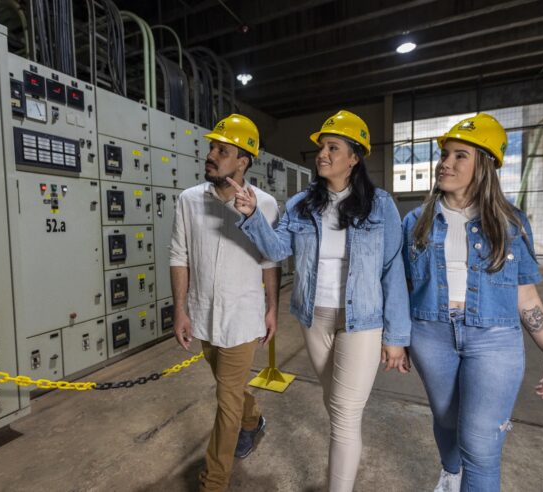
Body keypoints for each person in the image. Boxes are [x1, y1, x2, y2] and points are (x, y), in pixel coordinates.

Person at [228, 110, 411, 492]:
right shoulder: (301, 204)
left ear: (355, 157)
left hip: (362, 321)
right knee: (336, 405)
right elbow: (278, 250)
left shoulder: (381, 206)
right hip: (314, 318)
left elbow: (393, 270)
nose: (322, 155)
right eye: (321, 148)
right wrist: (252, 217)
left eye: (333, 147)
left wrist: (397, 336)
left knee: (344, 414)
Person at [402, 113, 543, 492]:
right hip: (430, 334)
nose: (446, 163)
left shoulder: (512, 224)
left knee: (480, 445)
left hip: (495, 338)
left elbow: (526, 294)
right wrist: (395, 336)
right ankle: (450, 473)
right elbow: (402, 286)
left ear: (485, 166)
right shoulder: (415, 220)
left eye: (460, 156)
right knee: (445, 420)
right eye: (445, 154)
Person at [168, 114, 281, 492]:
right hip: (203, 316)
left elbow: (270, 260)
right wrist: (180, 310)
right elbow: (179, 256)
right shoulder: (188, 200)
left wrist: (271, 309)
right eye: (212, 147)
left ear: (244, 160)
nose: (211, 155)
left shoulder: (264, 204)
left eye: (223, 150)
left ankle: (214, 482)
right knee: (230, 389)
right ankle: (255, 420)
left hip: (243, 318)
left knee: (226, 401)